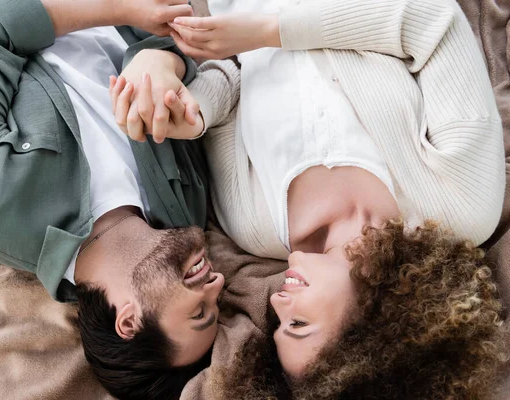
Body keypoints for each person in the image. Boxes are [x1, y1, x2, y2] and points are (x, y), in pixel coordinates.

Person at [115, 0, 510, 397]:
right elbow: (432, 23)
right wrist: (270, 31)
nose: (279, 306)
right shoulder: (461, 208)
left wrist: (197, 113)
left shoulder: (252, 226)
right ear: (376, 329)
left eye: (279, 326)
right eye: (299, 324)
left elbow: (235, 73)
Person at [0, 0, 228, 398]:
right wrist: (162, 62)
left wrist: (119, 9)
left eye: (200, 312)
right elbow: (182, 54)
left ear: (128, 321)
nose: (216, 284)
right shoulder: (186, 207)